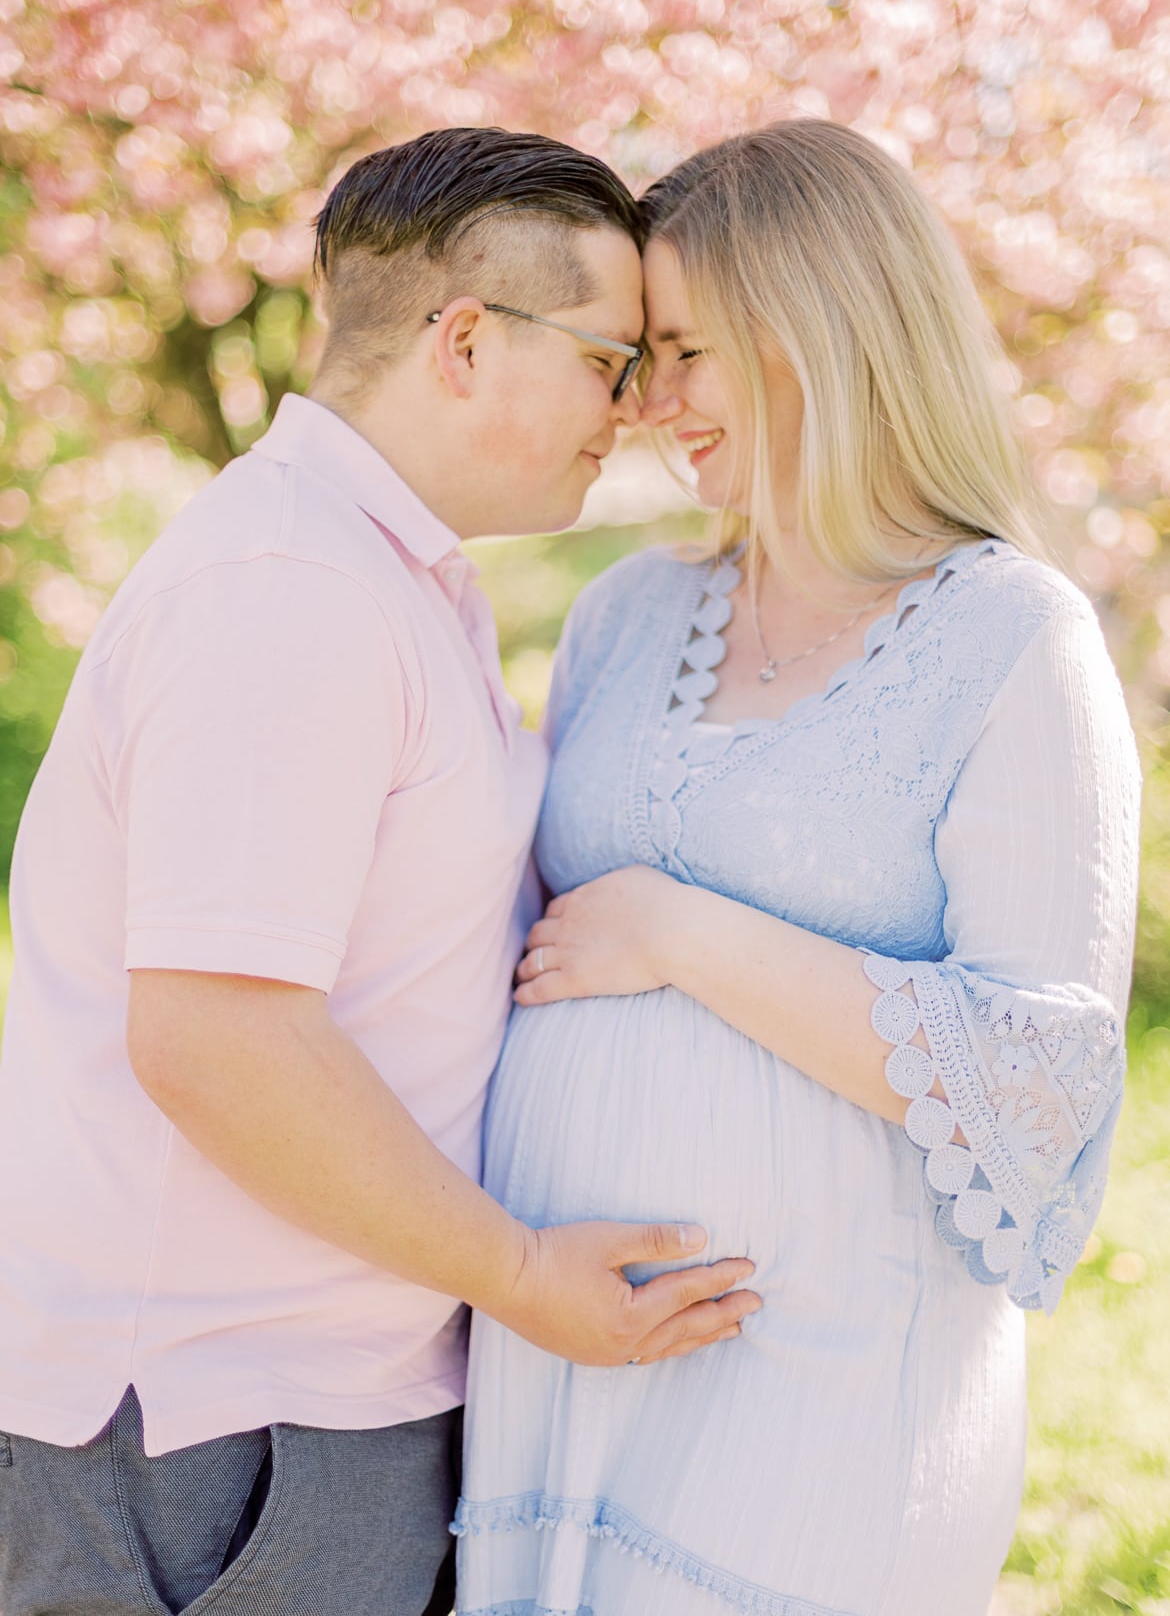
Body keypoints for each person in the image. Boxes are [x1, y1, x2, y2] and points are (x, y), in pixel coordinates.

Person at [0, 127, 759, 1616]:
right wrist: (524, 1277)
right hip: (211, 1431)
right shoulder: (289, 592)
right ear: (466, 340)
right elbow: (220, 1036)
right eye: (613, 361)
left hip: (297, 1402)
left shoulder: (381, 571)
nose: (640, 410)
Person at [456, 120, 1142, 1616]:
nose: (654, 406)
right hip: (559, 1368)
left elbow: (1038, 1071)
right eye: (641, 360)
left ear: (823, 333)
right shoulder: (626, 613)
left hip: (822, 1393)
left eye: (689, 351)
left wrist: (678, 932)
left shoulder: (1010, 640)